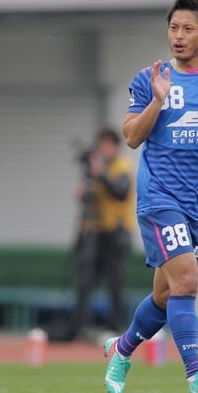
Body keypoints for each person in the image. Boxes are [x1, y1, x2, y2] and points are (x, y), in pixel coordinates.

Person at [103, 0, 198, 393]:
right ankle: (197, 375)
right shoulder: (150, 77)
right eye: (173, 28)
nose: (178, 36)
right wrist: (158, 100)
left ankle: (121, 350)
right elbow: (131, 137)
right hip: (160, 197)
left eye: (187, 29)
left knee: (166, 295)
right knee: (187, 282)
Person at [73, 127, 136, 339]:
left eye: (107, 145)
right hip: (94, 232)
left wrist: (101, 174)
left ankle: (118, 325)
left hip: (116, 232)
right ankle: (82, 325)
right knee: (86, 279)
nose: (103, 150)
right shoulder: (99, 169)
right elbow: (92, 198)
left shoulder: (123, 166)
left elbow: (121, 192)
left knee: (115, 282)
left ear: (116, 146)